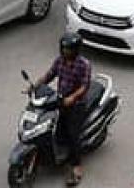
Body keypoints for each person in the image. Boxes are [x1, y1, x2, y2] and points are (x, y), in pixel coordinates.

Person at [37, 33, 91, 186]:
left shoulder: (84, 64)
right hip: (60, 100)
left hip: (76, 104)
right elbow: (49, 75)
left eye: (69, 49)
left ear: (76, 50)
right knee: (53, 127)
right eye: (64, 48)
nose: (65, 51)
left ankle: (77, 167)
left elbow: (84, 86)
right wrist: (35, 85)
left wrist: (72, 98)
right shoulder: (59, 61)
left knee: (72, 134)